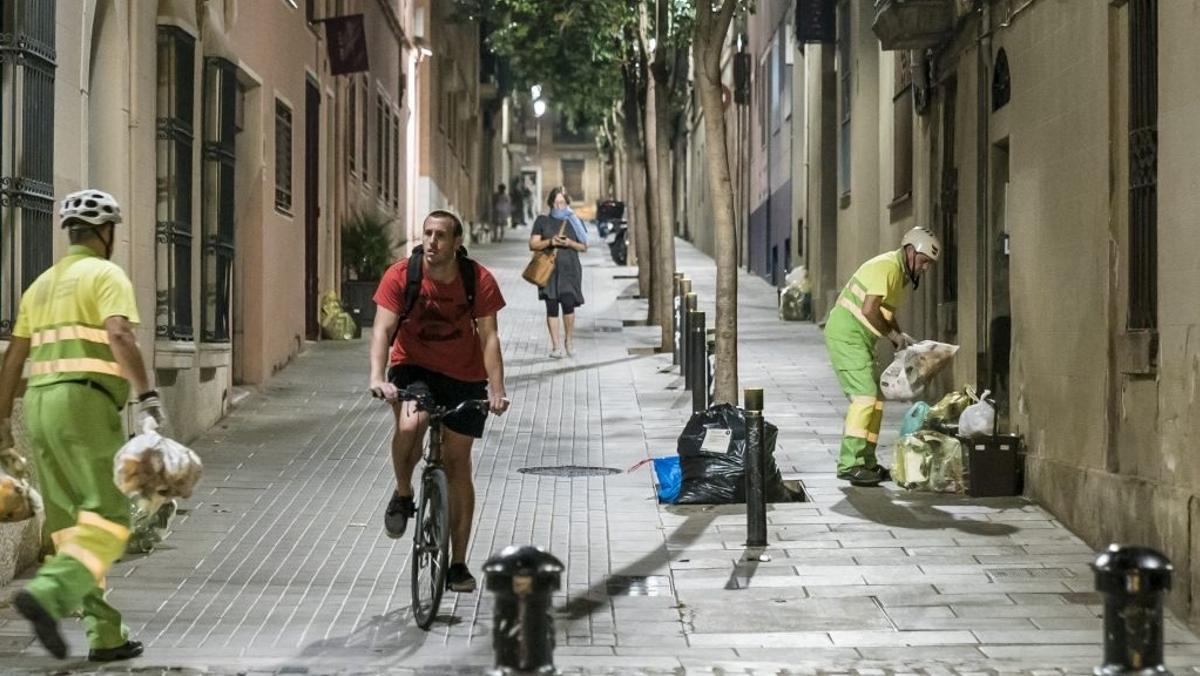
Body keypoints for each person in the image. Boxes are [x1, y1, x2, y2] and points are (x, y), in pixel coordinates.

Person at [0, 189, 166, 662]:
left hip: (38, 404)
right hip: (84, 403)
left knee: (70, 526)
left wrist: (1, 423)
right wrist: (148, 395)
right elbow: (118, 333)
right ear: (106, 232)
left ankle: (105, 634)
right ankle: (48, 594)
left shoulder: (41, 284)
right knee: (110, 517)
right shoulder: (107, 273)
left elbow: (15, 356)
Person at [368, 210, 509, 593]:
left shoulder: (477, 280)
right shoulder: (402, 275)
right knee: (411, 424)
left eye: (441, 235)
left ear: (457, 242)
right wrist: (378, 377)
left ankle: (458, 564)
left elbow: (489, 338)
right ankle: (403, 493)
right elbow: (382, 329)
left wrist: (496, 389)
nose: (431, 242)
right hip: (413, 368)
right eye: (428, 234)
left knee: (458, 463)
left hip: (464, 374)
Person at [824, 227, 941, 487]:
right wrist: (893, 336)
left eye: (929, 265)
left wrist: (901, 335)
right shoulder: (887, 266)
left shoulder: (898, 275)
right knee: (864, 397)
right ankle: (850, 464)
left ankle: (866, 461)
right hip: (846, 335)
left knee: (875, 401)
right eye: (923, 262)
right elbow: (869, 309)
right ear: (910, 252)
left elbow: (884, 312)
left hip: (860, 339)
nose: (925, 269)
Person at [529, 187, 588, 359]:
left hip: (570, 271)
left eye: (562, 202)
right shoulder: (542, 220)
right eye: (555, 202)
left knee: (568, 305)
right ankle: (556, 347)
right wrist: (550, 242)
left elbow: (584, 246)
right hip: (549, 271)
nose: (558, 205)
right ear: (550, 203)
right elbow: (533, 244)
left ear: (567, 203)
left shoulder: (574, 221)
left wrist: (569, 243)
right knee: (552, 307)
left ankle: (568, 341)